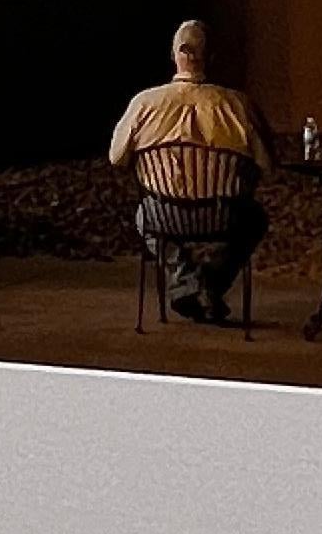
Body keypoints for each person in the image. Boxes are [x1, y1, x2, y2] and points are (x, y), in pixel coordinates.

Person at [108, 19, 271, 322]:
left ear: (174, 56)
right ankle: (209, 283)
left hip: (164, 215)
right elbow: (267, 164)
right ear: (211, 58)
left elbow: (117, 158)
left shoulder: (144, 104)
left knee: (145, 217)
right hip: (224, 216)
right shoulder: (237, 104)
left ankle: (187, 282)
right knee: (255, 219)